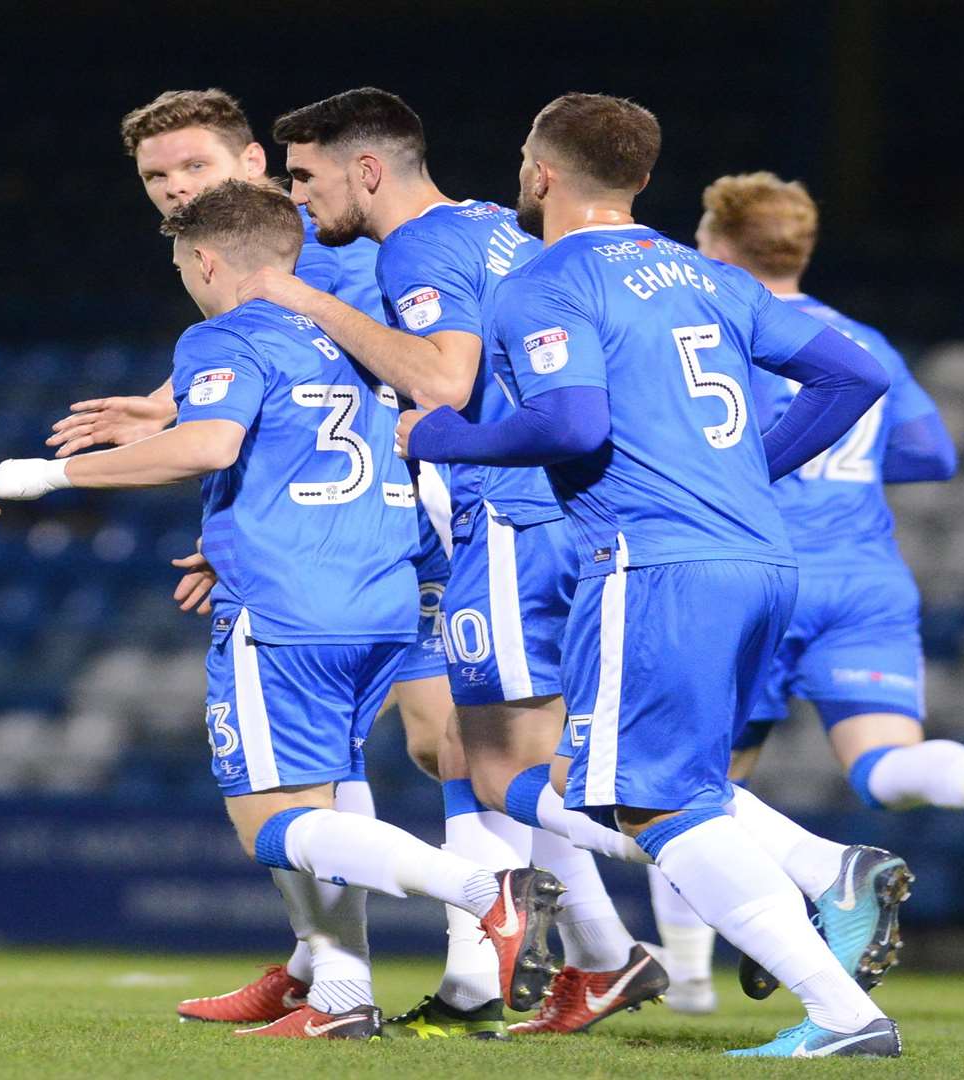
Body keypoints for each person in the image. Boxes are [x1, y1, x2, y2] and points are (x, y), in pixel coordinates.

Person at [0, 181, 562, 1039]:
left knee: (274, 823)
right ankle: (339, 1001)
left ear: (206, 259)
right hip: (385, 603)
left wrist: (41, 474)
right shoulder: (361, 340)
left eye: (182, 264)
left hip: (286, 607)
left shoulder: (222, 335)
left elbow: (209, 443)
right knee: (325, 802)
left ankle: (483, 892)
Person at [402, 93, 904, 1058]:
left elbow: (573, 425)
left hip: (654, 560)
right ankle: (825, 896)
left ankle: (842, 1004)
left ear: (543, 172)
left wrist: (447, 436)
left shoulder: (546, 281)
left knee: (656, 805)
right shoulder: (709, 275)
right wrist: (755, 463)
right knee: (660, 789)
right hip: (759, 556)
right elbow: (856, 375)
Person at [236, 87, 661, 1036]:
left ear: (369, 170)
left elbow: (441, 379)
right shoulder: (491, 231)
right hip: (563, 514)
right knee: (472, 750)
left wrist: (296, 293)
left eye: (307, 176)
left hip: (509, 518)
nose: (300, 198)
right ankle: (580, 960)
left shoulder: (419, 245)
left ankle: (785, 866)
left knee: (518, 761)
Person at [34, 88, 463, 1028]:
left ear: (257, 167)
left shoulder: (340, 260)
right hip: (350, 548)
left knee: (449, 747)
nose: (176, 188)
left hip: (397, 537)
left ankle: (503, 927)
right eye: (157, 176)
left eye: (195, 167)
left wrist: (80, 469)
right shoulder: (264, 285)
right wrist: (174, 416)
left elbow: (399, 377)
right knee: (343, 762)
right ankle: (328, 969)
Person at [648, 173, 964, 1013]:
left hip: (759, 574)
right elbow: (933, 454)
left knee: (694, 779)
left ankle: (691, 979)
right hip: (866, 577)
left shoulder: (722, 328)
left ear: (718, 244)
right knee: (882, 767)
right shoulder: (861, 339)